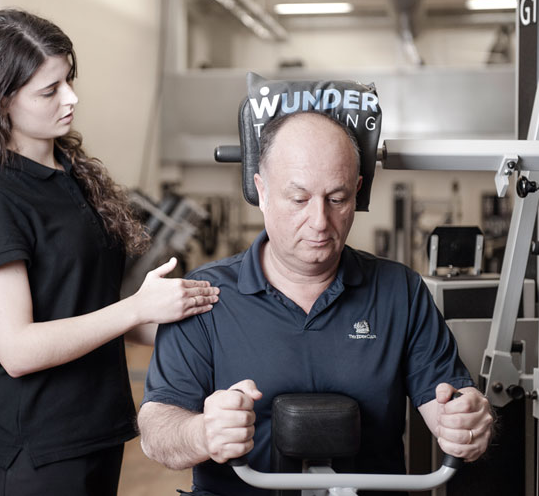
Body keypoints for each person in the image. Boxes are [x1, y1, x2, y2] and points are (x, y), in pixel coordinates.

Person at [137, 111, 494, 495]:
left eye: (337, 198)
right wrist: (202, 432)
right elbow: (157, 432)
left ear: (356, 191)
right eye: (299, 198)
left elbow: (449, 405)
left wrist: (465, 423)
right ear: (262, 191)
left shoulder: (399, 291)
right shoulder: (205, 296)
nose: (320, 220)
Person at [0, 9, 220, 496]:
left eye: (69, 80)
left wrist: (203, 325)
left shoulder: (73, 176)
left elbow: (98, 312)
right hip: (38, 449)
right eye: (49, 90)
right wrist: (136, 306)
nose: (71, 98)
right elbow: (17, 349)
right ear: (2, 102)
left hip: (98, 431)